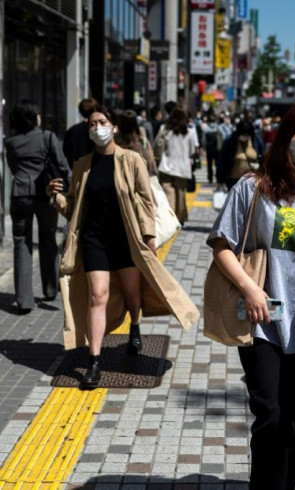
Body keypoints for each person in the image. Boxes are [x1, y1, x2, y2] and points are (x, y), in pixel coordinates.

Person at [207, 100, 295, 489]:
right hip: (262, 322)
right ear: (286, 134)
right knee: (269, 414)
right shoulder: (253, 186)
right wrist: (251, 289)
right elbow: (221, 244)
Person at [46, 106, 199, 389]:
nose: (97, 128)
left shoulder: (132, 160)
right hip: (94, 240)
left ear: (114, 127)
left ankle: (135, 327)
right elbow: (74, 209)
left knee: (131, 293)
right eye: (92, 124)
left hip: (125, 238)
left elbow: (145, 199)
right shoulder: (82, 165)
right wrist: (54, 197)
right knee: (98, 296)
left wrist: (149, 235)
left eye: (102, 122)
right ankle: (94, 360)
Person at [5, 100, 69, 314]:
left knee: (21, 243)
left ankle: (24, 300)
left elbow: (14, 168)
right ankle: (50, 288)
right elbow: (61, 166)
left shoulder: (11, 141)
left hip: (20, 194)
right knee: (48, 238)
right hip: (45, 193)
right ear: (33, 116)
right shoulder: (47, 136)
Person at [156, 107, 197, 224]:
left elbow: (158, 147)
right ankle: (179, 218)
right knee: (181, 194)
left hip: (166, 166)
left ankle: (169, 218)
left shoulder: (164, 130)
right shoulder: (189, 133)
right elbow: (191, 151)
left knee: (168, 193)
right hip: (182, 168)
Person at [216, 120, 259, 190]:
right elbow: (222, 161)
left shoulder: (256, 140)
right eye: (243, 134)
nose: (245, 137)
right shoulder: (230, 141)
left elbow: (262, 156)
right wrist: (220, 180)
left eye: (247, 135)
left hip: (251, 180)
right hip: (233, 180)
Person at [114, 109, 157, 176]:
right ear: (135, 123)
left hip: (120, 177)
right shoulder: (143, 141)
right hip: (139, 177)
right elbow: (150, 161)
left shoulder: (115, 141)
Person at [63, 98, 98, 171]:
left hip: (75, 172)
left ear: (80, 111)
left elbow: (66, 153)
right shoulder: (98, 130)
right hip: (94, 171)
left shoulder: (72, 131)